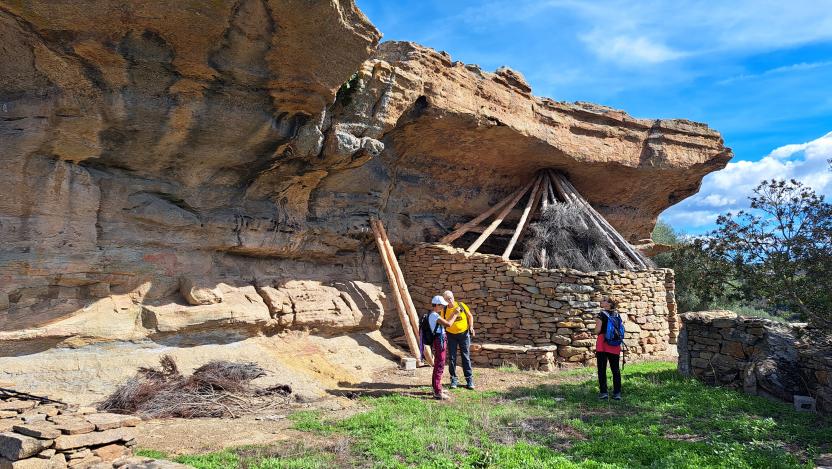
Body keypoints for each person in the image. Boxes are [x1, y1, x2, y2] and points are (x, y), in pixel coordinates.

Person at [442, 290, 475, 389]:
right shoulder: (444, 310)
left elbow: (470, 316)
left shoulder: (461, 305)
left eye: (451, 298)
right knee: (452, 358)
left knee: (466, 357)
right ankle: (453, 379)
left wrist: (471, 327)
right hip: (451, 335)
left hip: (464, 335)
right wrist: (454, 314)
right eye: (447, 299)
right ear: (444, 300)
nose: (450, 300)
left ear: (453, 297)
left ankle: (469, 380)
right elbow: (445, 323)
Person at [427, 295, 458, 400]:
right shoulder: (435, 316)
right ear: (436, 305)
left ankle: (436, 387)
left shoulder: (433, 314)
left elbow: (445, 324)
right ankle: (437, 392)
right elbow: (449, 324)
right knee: (439, 365)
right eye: (441, 305)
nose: (443, 307)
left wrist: (453, 314)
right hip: (439, 341)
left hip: (439, 340)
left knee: (438, 364)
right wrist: (455, 313)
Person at [594, 297, 624, 400]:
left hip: (602, 343)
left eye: (604, 300)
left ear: (609, 304)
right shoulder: (617, 314)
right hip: (614, 344)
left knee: (602, 369)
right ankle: (617, 393)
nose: (601, 301)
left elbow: (597, 330)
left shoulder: (601, 315)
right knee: (615, 369)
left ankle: (604, 393)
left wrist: (594, 330)